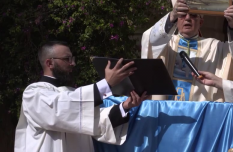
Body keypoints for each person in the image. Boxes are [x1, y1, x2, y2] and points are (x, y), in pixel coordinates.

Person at [14, 41, 148, 152]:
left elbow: (98, 124)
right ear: (50, 63)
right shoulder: (33, 93)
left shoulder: (71, 94)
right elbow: (59, 110)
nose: (73, 63)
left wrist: (125, 106)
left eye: (72, 59)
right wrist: (106, 84)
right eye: (67, 59)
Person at [141, 0, 233, 101]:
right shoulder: (166, 44)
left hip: (198, 113)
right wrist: (172, 15)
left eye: (193, 15)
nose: (187, 18)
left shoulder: (214, 47)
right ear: (176, 19)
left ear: (201, 22)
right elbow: (150, 40)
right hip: (166, 110)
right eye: (182, 15)